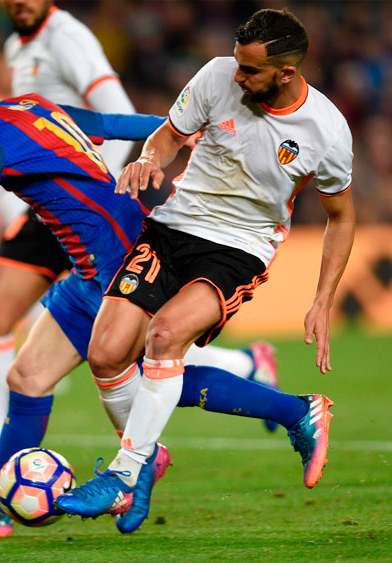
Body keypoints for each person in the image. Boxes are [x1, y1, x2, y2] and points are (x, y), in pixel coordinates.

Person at [0, 91, 329, 538]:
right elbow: (104, 122)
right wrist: (175, 128)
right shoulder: (22, 108)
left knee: (150, 375)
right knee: (28, 376)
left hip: (118, 255)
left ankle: (292, 413)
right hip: (88, 265)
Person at [0, 0, 280, 493]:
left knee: (134, 353)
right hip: (48, 204)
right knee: (4, 329)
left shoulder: (67, 37)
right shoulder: (15, 45)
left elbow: (113, 113)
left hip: (87, 203)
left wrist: (87, 180)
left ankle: (234, 391)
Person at [55, 7, 354, 533]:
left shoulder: (326, 131)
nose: (237, 76)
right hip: (173, 227)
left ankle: (125, 474)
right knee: (104, 355)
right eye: (238, 64)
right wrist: (151, 158)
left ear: (285, 73)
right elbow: (169, 135)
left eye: (251, 70)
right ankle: (292, 412)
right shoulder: (217, 74)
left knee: (164, 337)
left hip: (239, 246)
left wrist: (323, 298)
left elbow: (341, 217)